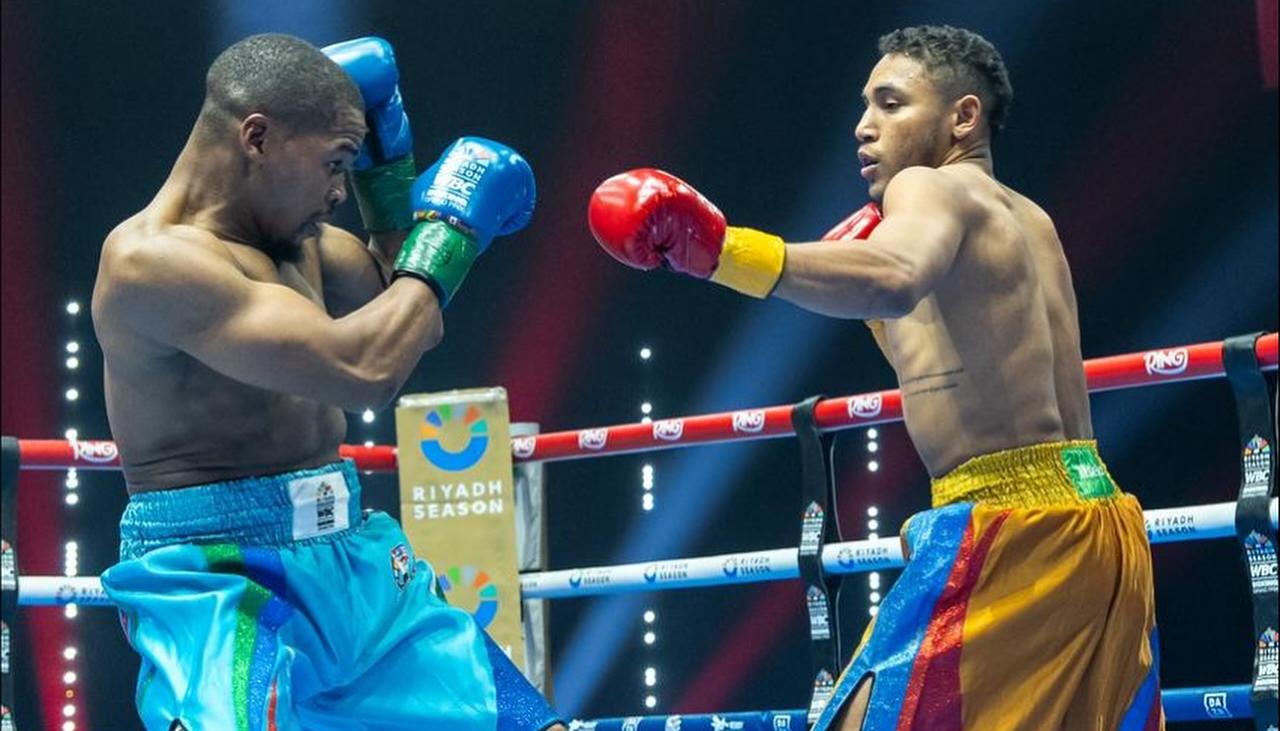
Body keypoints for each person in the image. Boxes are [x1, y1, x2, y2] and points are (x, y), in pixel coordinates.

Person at [588, 25, 1162, 730]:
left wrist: (722, 251)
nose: (864, 127)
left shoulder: (930, 187)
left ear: (962, 117)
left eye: (891, 104)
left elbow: (892, 276)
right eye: (864, 106)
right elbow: (964, 374)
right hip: (1098, 520)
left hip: (1009, 531)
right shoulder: (1029, 217)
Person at [91, 33, 561, 731]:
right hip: (217, 576)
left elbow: (408, 319)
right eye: (335, 164)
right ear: (256, 137)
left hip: (353, 557)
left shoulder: (300, 243)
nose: (340, 191)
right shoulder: (149, 263)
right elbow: (364, 369)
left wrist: (389, 180)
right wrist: (454, 232)